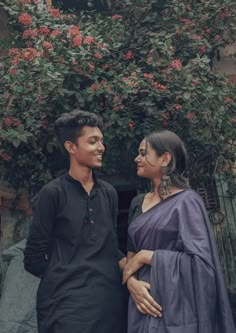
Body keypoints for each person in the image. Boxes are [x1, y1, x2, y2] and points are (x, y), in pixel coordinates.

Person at [24, 110, 127, 333]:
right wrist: (63, 278)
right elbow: (32, 257)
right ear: (71, 147)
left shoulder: (109, 193)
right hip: (64, 308)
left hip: (108, 305)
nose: (101, 147)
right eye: (93, 141)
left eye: (101, 141)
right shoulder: (52, 194)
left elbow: (110, 246)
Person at [122, 130, 236, 333]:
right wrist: (132, 284)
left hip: (178, 310)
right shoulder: (137, 203)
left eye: (143, 153)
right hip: (142, 306)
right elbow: (128, 259)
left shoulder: (187, 202)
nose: (136, 158)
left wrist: (148, 256)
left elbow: (201, 265)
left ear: (165, 158)